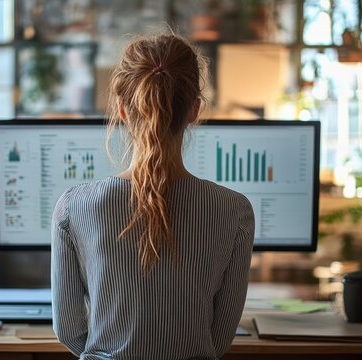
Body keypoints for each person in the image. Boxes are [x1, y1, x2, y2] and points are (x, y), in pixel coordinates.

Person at [51, 32, 255, 360]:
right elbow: (218, 339)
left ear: (121, 109)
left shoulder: (74, 207)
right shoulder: (235, 211)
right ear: (195, 110)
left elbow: (69, 331)